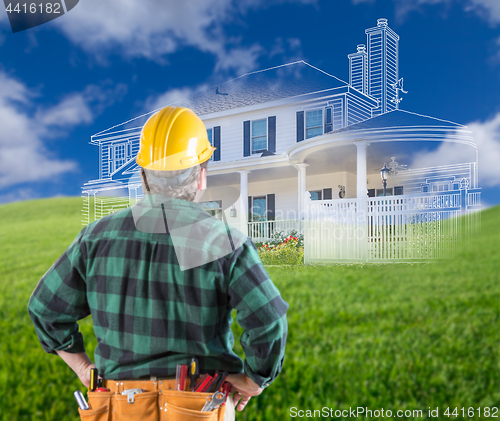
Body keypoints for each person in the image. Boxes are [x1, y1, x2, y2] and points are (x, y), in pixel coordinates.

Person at [28, 106, 289, 420]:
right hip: (199, 405)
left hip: (117, 405)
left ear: (143, 175)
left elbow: (45, 309)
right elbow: (269, 319)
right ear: (201, 175)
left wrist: (84, 368)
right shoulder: (224, 242)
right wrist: (254, 379)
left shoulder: (95, 238)